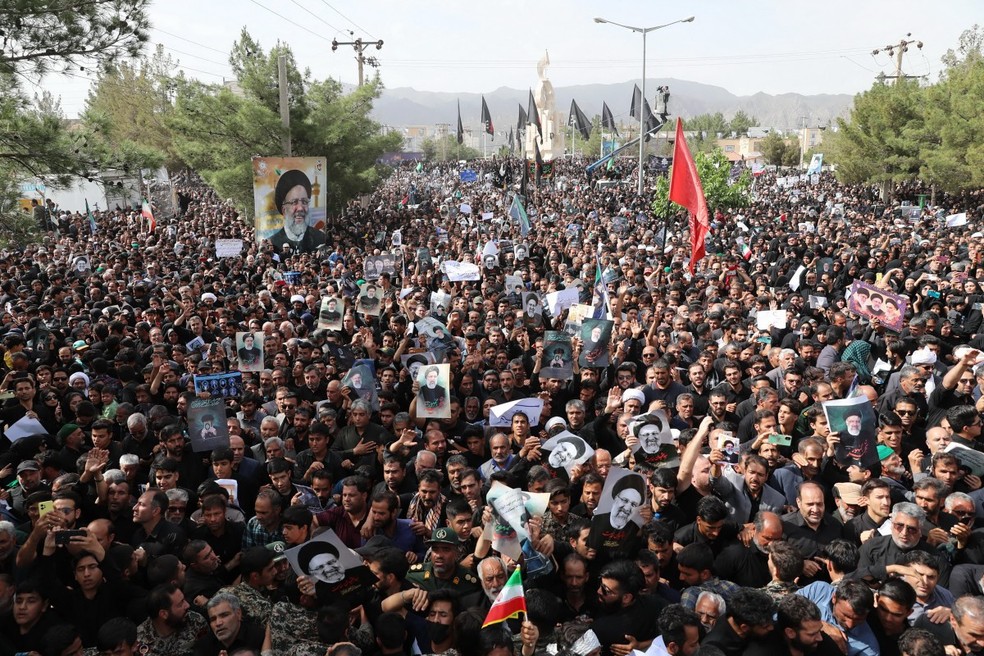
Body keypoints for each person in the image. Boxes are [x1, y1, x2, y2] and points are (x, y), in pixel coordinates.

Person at [269, 169, 325, 253]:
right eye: (294, 202)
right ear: (284, 210)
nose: (300, 208)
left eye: (304, 202)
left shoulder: (320, 238)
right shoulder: (273, 242)